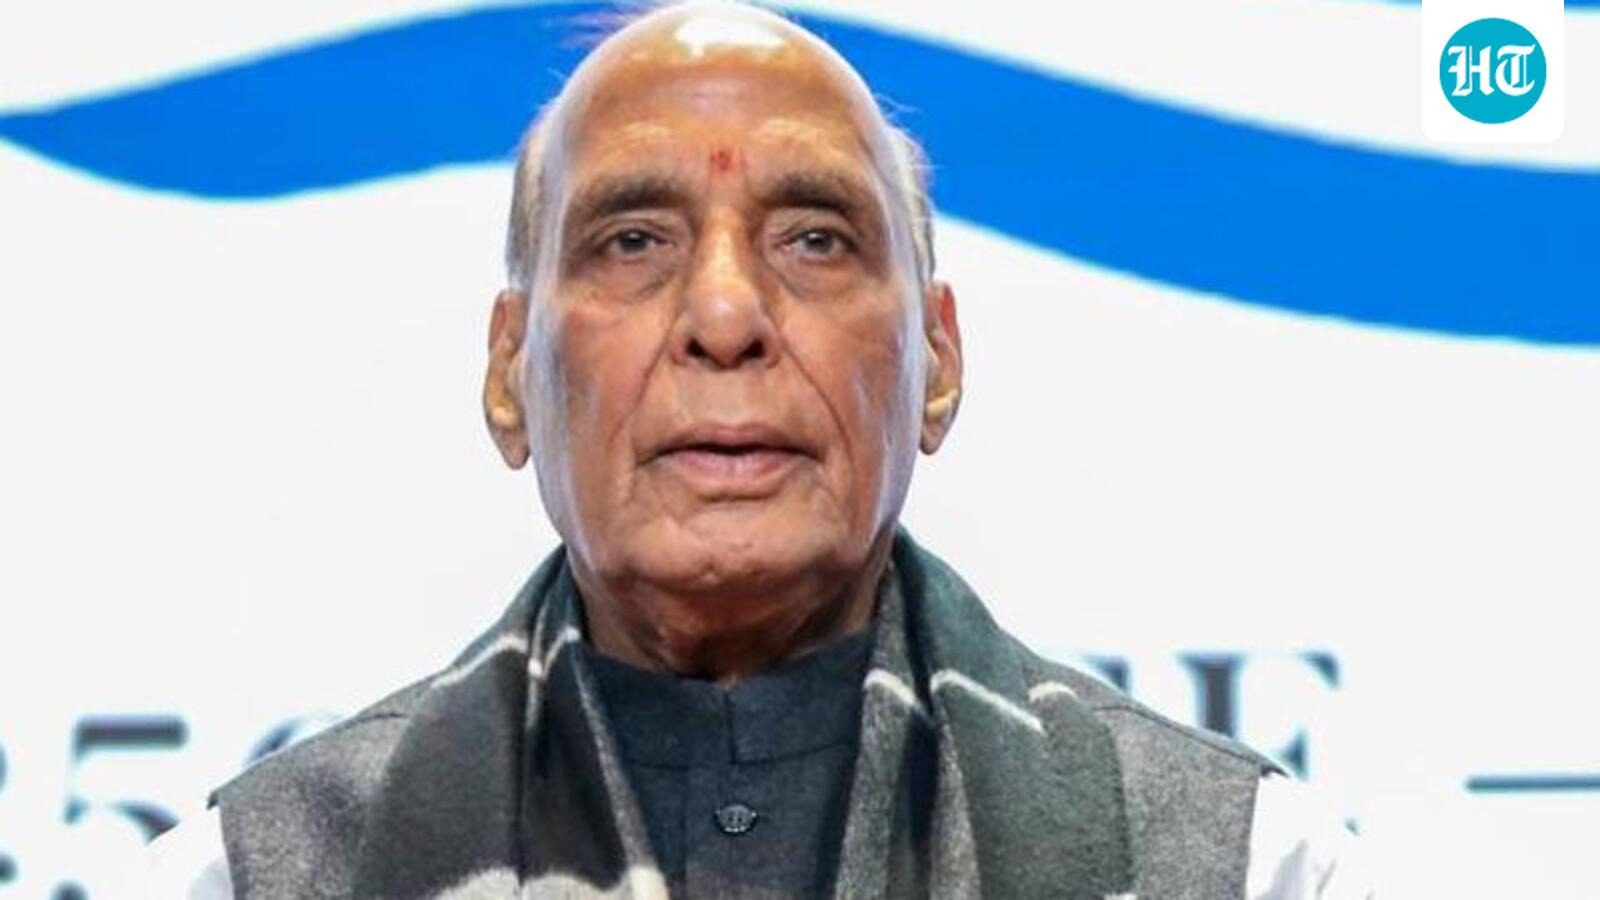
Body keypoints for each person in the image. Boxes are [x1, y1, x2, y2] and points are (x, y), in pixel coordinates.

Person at [148, 2, 1373, 897]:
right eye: (632, 241)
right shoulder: (247, 879)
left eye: (815, 240)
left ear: (937, 361)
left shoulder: (1247, 868)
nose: (725, 315)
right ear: (509, 375)